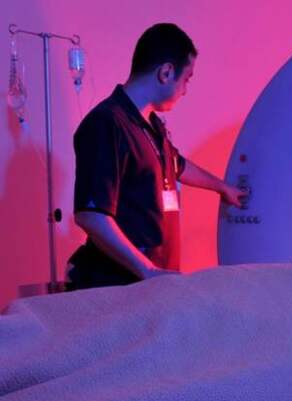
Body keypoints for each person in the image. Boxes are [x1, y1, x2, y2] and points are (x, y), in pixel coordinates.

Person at [66, 23, 244, 290]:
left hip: (153, 285)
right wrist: (147, 270)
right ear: (166, 72)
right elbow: (91, 216)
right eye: (187, 79)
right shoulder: (107, 123)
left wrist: (223, 188)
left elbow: (177, 166)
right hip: (119, 288)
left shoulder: (151, 125)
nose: (185, 90)